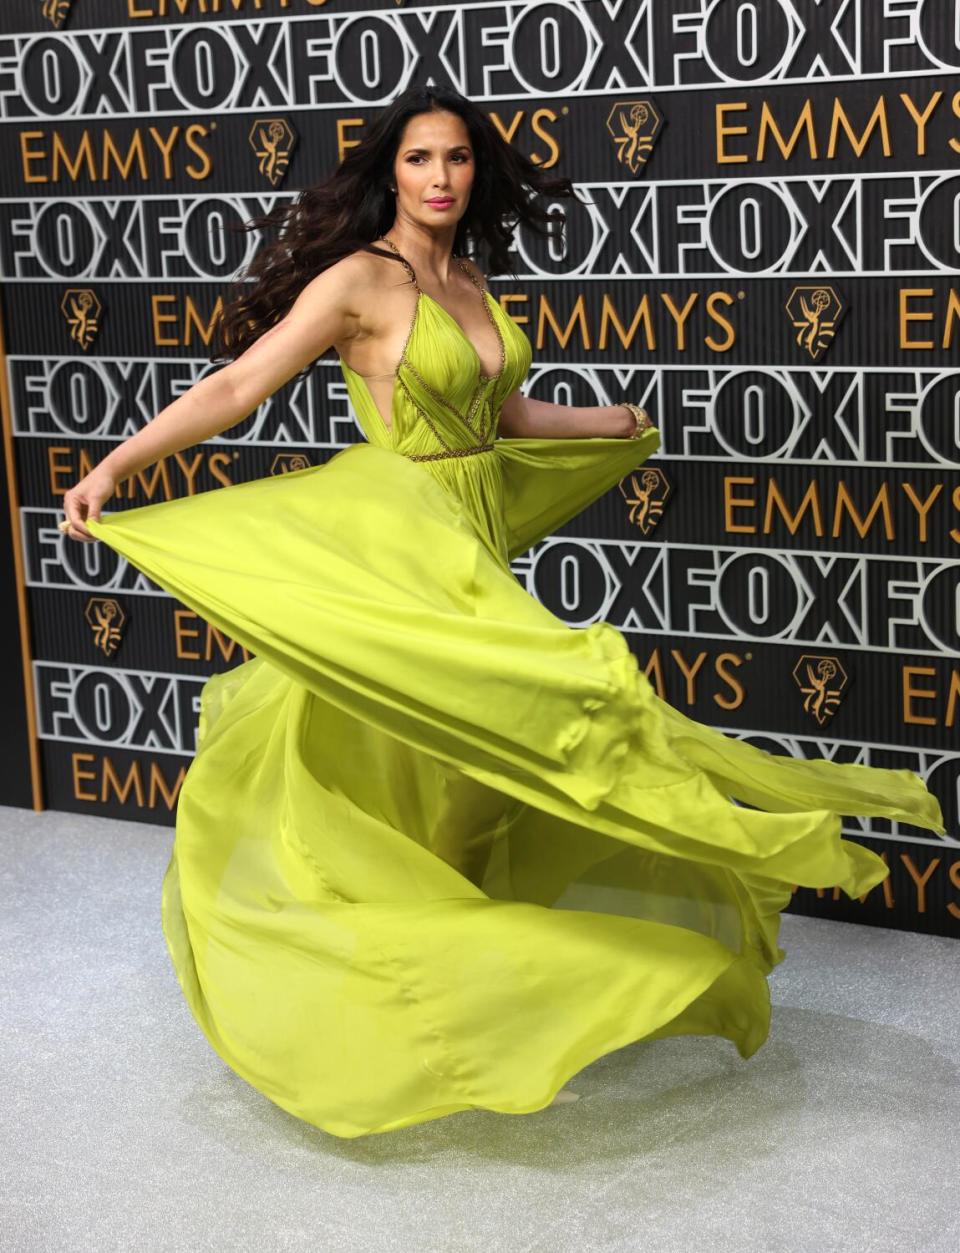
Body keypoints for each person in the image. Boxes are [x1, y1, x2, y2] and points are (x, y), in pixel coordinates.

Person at [60, 86, 945, 1139]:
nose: (441, 177)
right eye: (422, 157)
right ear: (390, 170)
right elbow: (240, 384)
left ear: (477, 173)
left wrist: (602, 419)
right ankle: (437, 1011)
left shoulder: (469, 276)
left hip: (471, 548)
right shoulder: (361, 281)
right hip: (400, 544)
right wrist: (116, 464)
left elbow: (501, 410)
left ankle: (462, 995)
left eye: (460, 159)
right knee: (498, 742)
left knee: (460, 776)